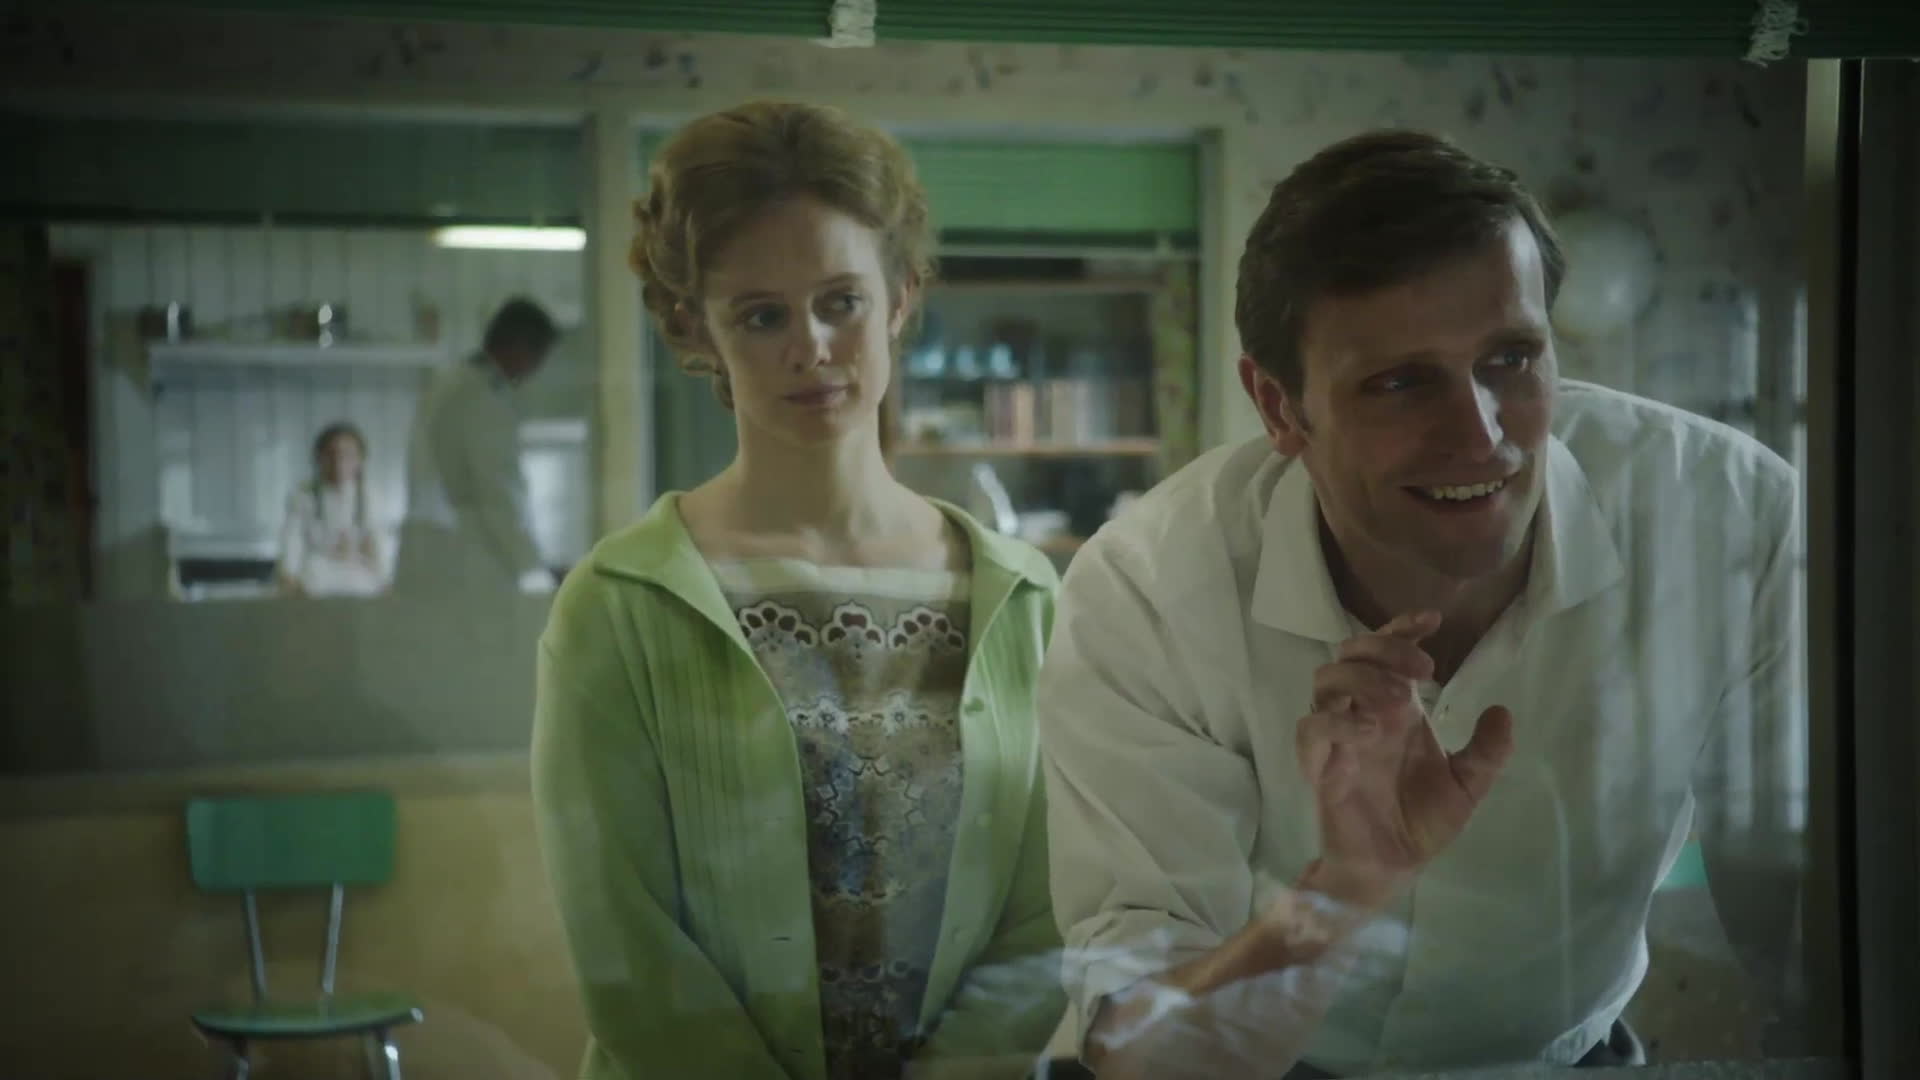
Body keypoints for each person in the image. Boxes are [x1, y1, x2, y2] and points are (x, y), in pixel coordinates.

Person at [1037, 130, 1803, 1079]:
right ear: (1278, 406)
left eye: (1511, 359)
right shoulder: (1148, 589)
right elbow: (1148, 1056)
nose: (1479, 437)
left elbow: (1820, 927)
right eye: (1400, 382)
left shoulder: (1731, 518)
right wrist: (1343, 889)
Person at [531, 101, 1066, 1080]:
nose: (810, 346)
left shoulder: (1023, 597)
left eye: (840, 302)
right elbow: (626, 945)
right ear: (694, 326)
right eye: (762, 314)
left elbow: (1047, 917)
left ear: (900, 296)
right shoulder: (622, 602)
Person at [392, 297, 557, 596]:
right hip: (465, 562)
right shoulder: (481, 398)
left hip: (429, 555)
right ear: (520, 347)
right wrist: (534, 571)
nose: (534, 370)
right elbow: (498, 493)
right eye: (538, 357)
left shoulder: (448, 383)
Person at [274, 421, 386, 597]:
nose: (338, 462)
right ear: (318, 458)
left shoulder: (370, 496)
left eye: (347, 455)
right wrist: (288, 576)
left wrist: (383, 578)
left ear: (360, 460)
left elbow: (378, 542)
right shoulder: (303, 495)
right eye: (331, 454)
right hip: (316, 577)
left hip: (359, 577)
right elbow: (292, 539)